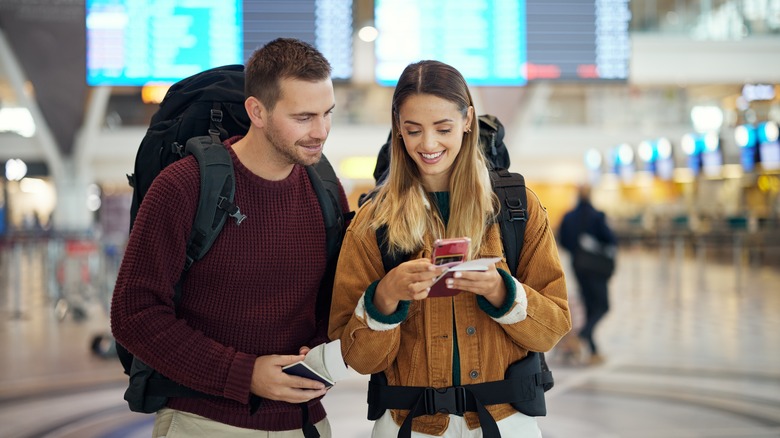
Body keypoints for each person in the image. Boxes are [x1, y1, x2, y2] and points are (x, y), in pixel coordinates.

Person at [111, 38, 349, 437]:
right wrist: (245, 374)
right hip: (203, 422)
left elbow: (329, 300)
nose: (320, 131)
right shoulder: (185, 186)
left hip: (304, 421)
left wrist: (321, 346)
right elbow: (134, 313)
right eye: (304, 117)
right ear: (257, 111)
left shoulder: (325, 189)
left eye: (327, 114)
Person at [328, 60, 571, 438]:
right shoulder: (372, 222)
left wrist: (501, 292)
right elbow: (358, 359)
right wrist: (385, 298)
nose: (428, 144)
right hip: (408, 424)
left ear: (468, 120)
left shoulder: (516, 208)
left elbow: (552, 329)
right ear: (397, 127)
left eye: (443, 128)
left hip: (505, 422)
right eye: (413, 130)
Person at [558, 184, 617, 365]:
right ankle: (581, 337)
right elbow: (611, 240)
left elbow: (562, 239)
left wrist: (577, 252)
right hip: (596, 267)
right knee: (602, 306)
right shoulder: (597, 216)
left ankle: (593, 351)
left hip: (578, 265)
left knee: (589, 306)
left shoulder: (568, 216)